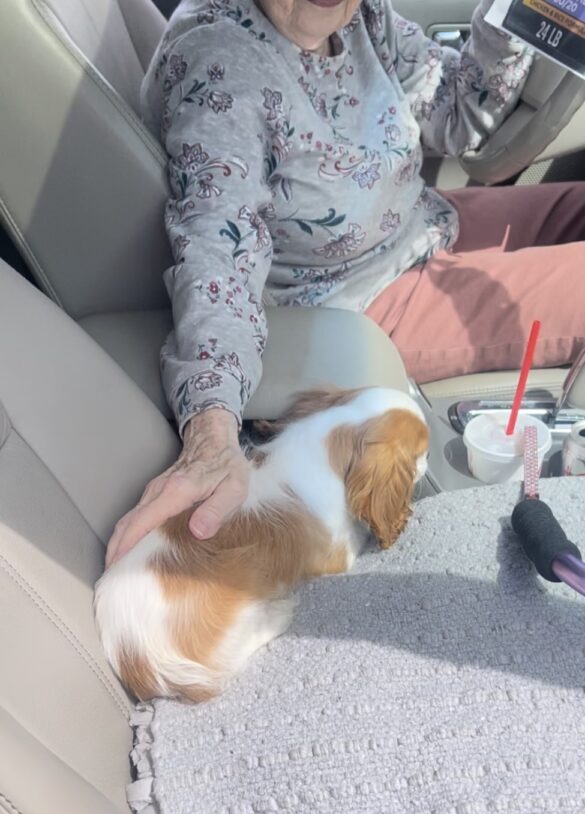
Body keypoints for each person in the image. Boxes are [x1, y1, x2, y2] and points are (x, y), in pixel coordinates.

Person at [106, 0, 585, 566]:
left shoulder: (360, 17)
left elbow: (458, 115)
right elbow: (216, 245)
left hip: (422, 223)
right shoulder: (220, 62)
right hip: (351, 298)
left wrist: (512, 14)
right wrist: (211, 437)